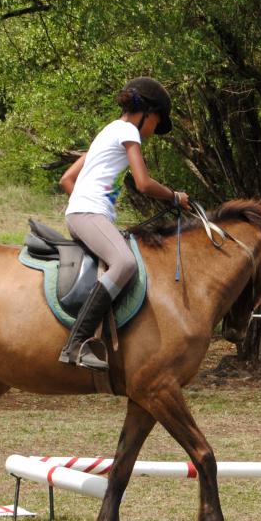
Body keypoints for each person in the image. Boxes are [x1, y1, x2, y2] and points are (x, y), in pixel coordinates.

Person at [56, 76, 189, 370]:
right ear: (145, 114)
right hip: (88, 214)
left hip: (83, 213)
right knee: (125, 264)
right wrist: (174, 196)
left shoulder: (106, 132)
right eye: (156, 121)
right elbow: (142, 183)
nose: (154, 130)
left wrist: (89, 206)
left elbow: (67, 179)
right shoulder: (129, 131)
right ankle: (76, 343)